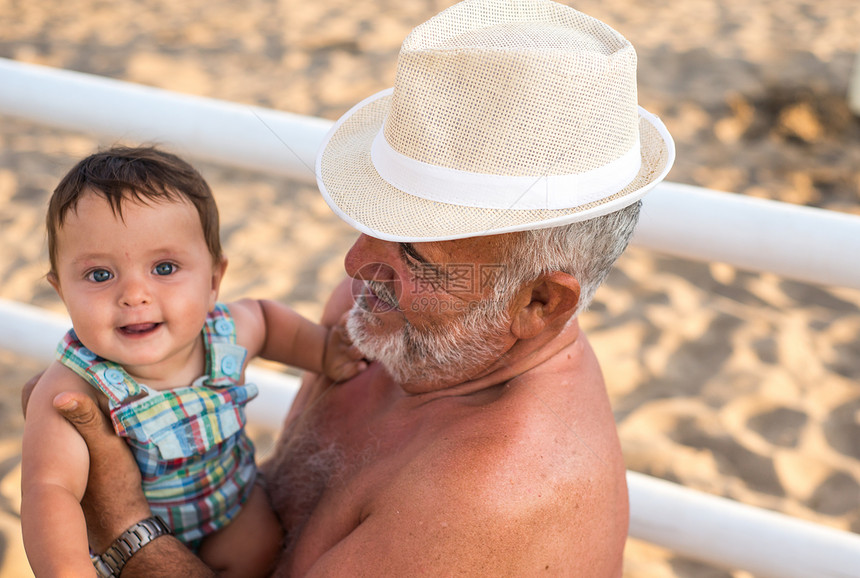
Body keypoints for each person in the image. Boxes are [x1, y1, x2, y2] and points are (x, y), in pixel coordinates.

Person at [31, 0, 675, 575]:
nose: (353, 264)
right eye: (372, 224)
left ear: (541, 302)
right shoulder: (380, 318)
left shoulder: (489, 492)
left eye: (415, 253)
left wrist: (121, 524)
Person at [20, 146, 366, 577]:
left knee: (262, 546)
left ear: (214, 281)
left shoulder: (226, 333)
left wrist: (322, 351)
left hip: (234, 507)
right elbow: (50, 490)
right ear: (61, 291)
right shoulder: (76, 385)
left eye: (164, 268)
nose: (134, 294)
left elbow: (269, 319)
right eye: (100, 275)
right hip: (134, 547)